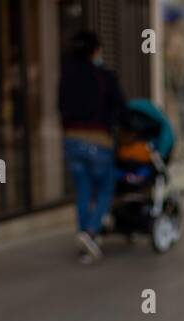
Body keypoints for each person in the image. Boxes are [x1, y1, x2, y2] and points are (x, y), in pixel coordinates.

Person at [60, 31, 125, 264]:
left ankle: (85, 239)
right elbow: (120, 106)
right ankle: (90, 232)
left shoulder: (66, 76)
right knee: (106, 187)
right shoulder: (104, 77)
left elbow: (61, 108)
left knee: (84, 191)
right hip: (98, 141)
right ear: (95, 51)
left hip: (72, 140)